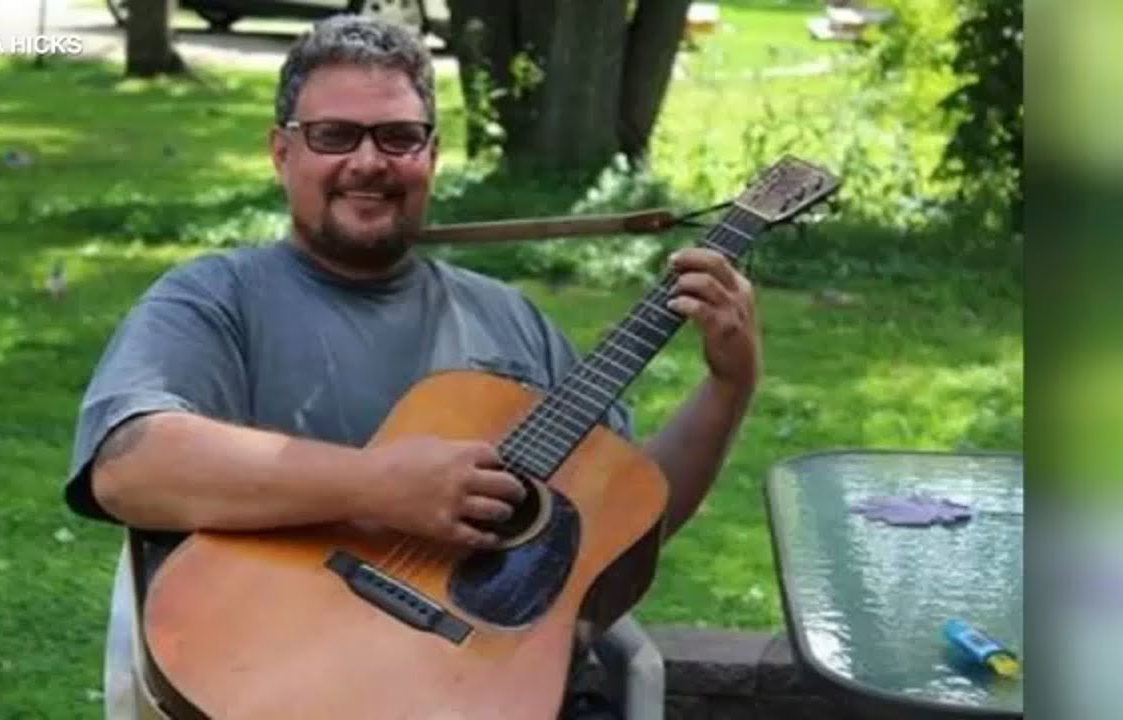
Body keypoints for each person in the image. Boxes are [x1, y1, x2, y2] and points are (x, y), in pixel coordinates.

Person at [63, 14, 760, 719]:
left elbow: (623, 520)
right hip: (279, 681)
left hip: (479, 692)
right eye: (335, 135)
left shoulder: (512, 319)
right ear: (282, 153)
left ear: (431, 154)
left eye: (398, 137)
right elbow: (131, 467)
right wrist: (379, 486)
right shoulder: (215, 299)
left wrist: (730, 386)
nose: (369, 161)